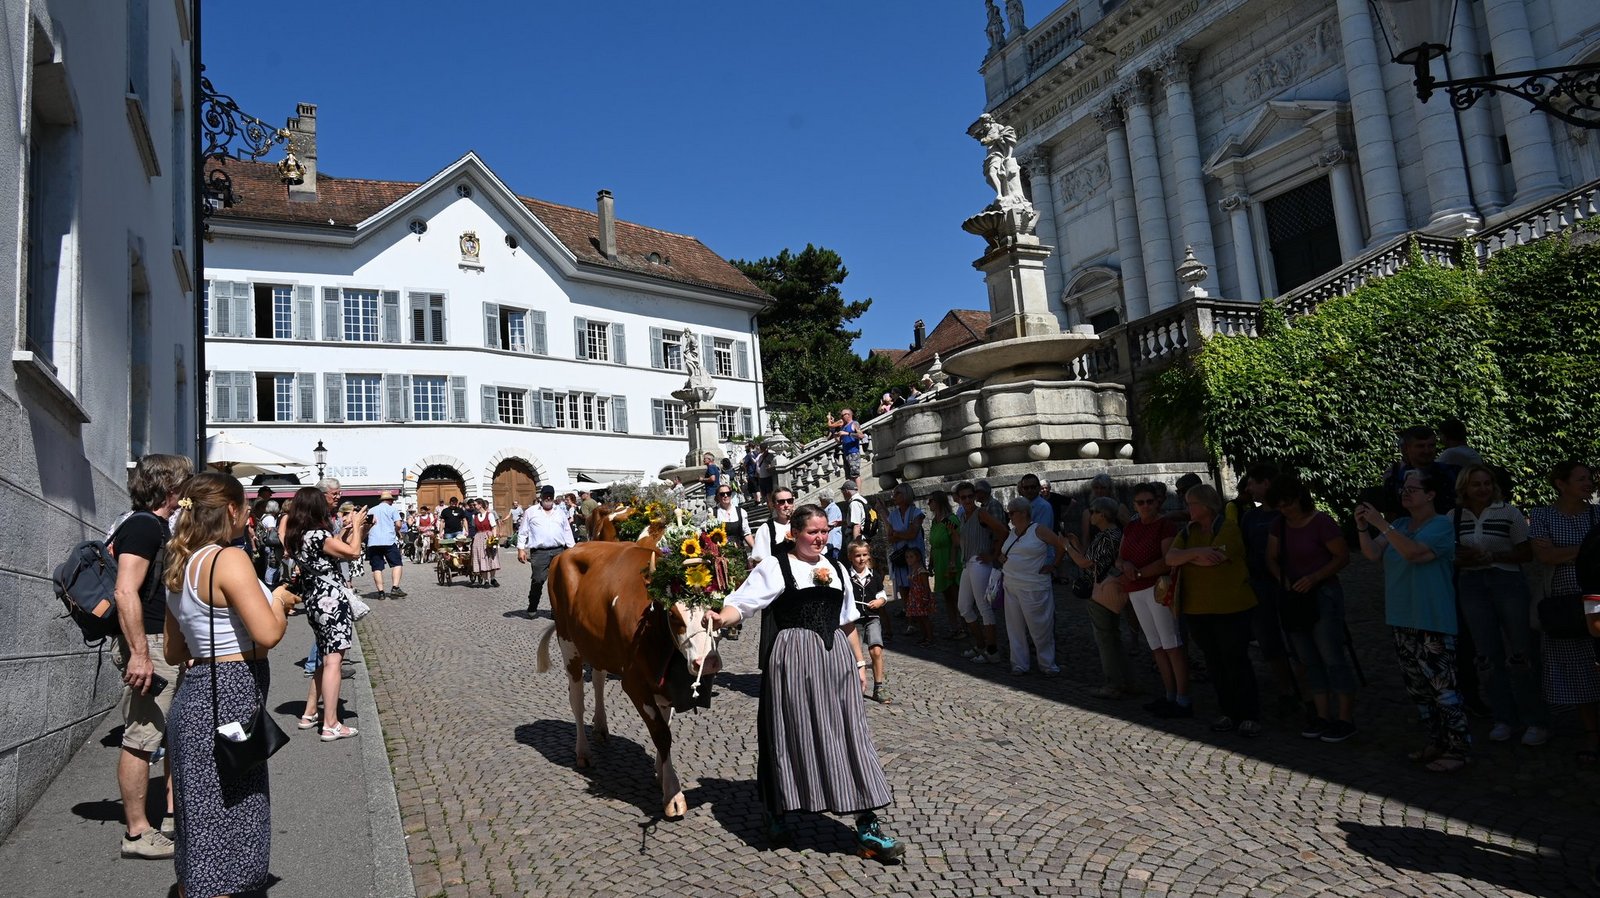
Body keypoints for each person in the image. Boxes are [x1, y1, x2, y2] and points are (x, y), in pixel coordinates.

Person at [706, 504, 906, 862]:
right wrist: (722, 618)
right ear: (794, 533)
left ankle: (867, 826)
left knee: (850, 734)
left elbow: (847, 622)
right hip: (794, 658)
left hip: (836, 659)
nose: (820, 538)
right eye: (813, 532)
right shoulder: (776, 566)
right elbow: (744, 603)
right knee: (788, 732)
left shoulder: (838, 568)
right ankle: (777, 810)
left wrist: (859, 663)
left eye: (824, 531)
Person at [160, 472, 293, 897]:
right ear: (231, 510)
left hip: (195, 694)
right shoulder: (227, 559)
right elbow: (267, 633)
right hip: (229, 695)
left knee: (200, 825)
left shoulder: (180, 563)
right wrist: (279, 602)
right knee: (228, 825)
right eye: (245, 507)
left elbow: (174, 651)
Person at [1356, 469, 1468, 772]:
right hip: (1401, 617)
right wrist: (1363, 527)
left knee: (1443, 689)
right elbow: (1372, 554)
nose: (1405, 493)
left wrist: (1382, 524)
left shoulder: (1441, 525)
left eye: (1413, 489)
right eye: (1404, 488)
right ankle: (1436, 741)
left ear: (1430, 495)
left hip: (1432, 618)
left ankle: (1458, 749)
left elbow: (1414, 553)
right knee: (1418, 689)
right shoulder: (1402, 525)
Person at [110, 453, 192, 859]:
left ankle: (173, 816)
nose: (187, 491)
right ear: (169, 486)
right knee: (142, 737)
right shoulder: (142, 525)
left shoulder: (157, 525)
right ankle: (137, 832)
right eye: (184, 484)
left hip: (163, 642)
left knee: (169, 732)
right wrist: (140, 654)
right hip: (150, 644)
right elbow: (125, 590)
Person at [1453, 463, 1547, 746]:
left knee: (1521, 651)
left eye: (1486, 483)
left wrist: (1493, 557)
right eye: (1476, 484)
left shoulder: (1509, 513)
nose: (1482, 489)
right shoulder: (1454, 516)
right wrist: (1468, 558)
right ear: (1465, 488)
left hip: (1507, 583)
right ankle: (1503, 717)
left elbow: (1525, 553)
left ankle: (1535, 719)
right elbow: (1450, 553)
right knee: (1486, 654)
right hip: (1471, 584)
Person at [1265, 474, 1357, 742]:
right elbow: (1271, 558)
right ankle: (1322, 714)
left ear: (1299, 499)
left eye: (1289, 504)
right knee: (1308, 660)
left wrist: (1314, 577)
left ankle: (1345, 718)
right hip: (1294, 597)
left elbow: (1342, 557)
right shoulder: (1279, 525)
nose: (1286, 510)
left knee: (1332, 657)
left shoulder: (1321, 522)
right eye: (1280, 505)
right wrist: (1283, 579)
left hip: (1323, 594)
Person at [1166, 485, 1262, 735]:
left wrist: (1188, 557)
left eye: (1191, 503)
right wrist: (1197, 552)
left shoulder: (1228, 528)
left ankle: (1249, 714)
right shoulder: (1189, 531)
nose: (1187, 508)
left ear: (1205, 506)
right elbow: (1171, 557)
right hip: (1197, 608)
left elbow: (1215, 558)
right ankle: (1227, 711)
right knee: (1214, 662)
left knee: (1235, 660)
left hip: (1231, 607)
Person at [1528, 461, 1600, 765]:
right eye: (1581, 478)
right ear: (1561, 483)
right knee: (1577, 668)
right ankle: (1592, 735)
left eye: (1590, 478)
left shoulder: (1598, 514)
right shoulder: (1542, 515)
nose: (1589, 483)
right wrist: (1589, 550)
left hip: (1596, 597)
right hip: (1563, 601)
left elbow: (1556, 553)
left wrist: (1567, 552)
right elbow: (1545, 556)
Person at [284, 486, 364, 742]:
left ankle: (309, 713)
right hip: (331, 601)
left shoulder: (298, 535)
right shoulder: (318, 534)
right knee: (333, 661)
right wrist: (358, 527)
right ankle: (331, 723)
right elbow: (353, 552)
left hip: (314, 601)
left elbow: (331, 547)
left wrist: (345, 531)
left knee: (324, 657)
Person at [1120, 483, 1189, 718]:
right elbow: (1120, 558)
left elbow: (1166, 560)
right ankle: (1169, 694)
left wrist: (1139, 573)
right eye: (1141, 502)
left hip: (1157, 588)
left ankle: (1182, 698)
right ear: (1134, 505)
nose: (1146, 506)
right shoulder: (1131, 526)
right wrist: (1126, 566)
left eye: (1149, 501)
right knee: (1156, 645)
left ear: (1157, 502)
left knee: (1171, 644)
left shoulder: (1165, 525)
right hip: (1136, 589)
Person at [997, 496, 1075, 676]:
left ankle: (1047, 664)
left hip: (1033, 585)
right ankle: (1019, 663)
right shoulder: (1012, 532)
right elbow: (1007, 551)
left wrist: (1054, 565)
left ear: (1023, 513)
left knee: (1040, 626)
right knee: (1014, 627)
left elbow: (1061, 544)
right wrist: (1002, 558)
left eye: (1012, 513)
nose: (1009, 516)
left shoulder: (1038, 529)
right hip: (1011, 584)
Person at [1064, 496, 1129, 698]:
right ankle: (1127, 681)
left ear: (1103, 514)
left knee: (1106, 639)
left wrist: (1066, 547)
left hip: (1101, 589)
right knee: (1113, 637)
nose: (1090, 515)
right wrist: (1075, 544)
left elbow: (1085, 563)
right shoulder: (1110, 534)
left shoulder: (1108, 536)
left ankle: (1113, 684)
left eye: (1093, 511)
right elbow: (1090, 558)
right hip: (1107, 587)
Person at [954, 480, 1007, 664]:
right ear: (959, 499)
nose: (968, 500)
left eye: (970, 496)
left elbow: (1003, 531)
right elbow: (962, 541)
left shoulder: (981, 513)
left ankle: (992, 650)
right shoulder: (962, 516)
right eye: (964, 497)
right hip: (968, 563)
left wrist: (993, 554)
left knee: (984, 607)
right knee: (964, 607)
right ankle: (981, 644)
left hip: (980, 563)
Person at [750, 487, 796, 650]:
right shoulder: (767, 528)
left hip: (801, 587)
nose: (786, 505)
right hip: (777, 590)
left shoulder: (801, 526)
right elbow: (760, 561)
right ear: (774, 505)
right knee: (774, 637)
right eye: (781, 502)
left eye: (789, 501)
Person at [517, 485, 574, 615]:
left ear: (553, 497)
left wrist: (572, 549)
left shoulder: (560, 512)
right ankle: (533, 605)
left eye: (550, 496)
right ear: (541, 496)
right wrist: (521, 549)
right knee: (538, 580)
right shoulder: (531, 512)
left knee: (559, 582)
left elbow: (567, 531)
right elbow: (523, 531)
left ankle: (556, 609)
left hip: (559, 551)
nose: (548, 498)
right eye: (545, 495)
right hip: (539, 552)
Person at [846, 539, 891, 702]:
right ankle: (854, 685)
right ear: (850, 557)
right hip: (854, 620)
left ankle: (879, 687)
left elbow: (881, 593)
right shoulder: (846, 576)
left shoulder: (874, 576)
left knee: (876, 650)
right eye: (858, 555)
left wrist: (880, 601)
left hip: (872, 618)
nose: (861, 559)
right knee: (854, 653)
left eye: (864, 555)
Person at [925, 490, 964, 639]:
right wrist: (931, 563)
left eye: (931, 501)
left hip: (950, 561)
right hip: (939, 561)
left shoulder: (949, 520)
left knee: (956, 596)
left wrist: (952, 562)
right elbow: (933, 544)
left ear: (938, 502)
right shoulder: (935, 522)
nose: (929, 503)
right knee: (947, 596)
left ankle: (963, 626)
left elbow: (955, 542)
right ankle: (954, 626)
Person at [886, 483, 925, 616]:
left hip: (914, 556)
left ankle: (920, 614)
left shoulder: (917, 513)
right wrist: (902, 535)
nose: (894, 497)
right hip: (900, 556)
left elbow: (912, 534)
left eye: (897, 494)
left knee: (917, 586)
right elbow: (890, 538)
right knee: (903, 586)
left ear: (905, 495)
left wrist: (897, 534)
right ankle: (909, 615)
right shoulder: (893, 515)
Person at [365, 490, 407, 599]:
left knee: (377, 567)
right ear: (390, 500)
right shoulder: (392, 509)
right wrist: (395, 530)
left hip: (374, 541)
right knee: (397, 564)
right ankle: (395, 587)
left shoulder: (372, 510)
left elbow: (367, 525)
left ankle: (381, 592)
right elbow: (398, 524)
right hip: (389, 540)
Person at [902, 545, 935, 646]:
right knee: (919, 618)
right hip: (915, 597)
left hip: (921, 597)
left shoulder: (921, 571)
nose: (909, 559)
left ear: (918, 557)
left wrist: (925, 598)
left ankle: (930, 638)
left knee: (924, 618)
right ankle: (924, 636)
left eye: (911, 557)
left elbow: (926, 586)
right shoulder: (913, 570)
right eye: (907, 557)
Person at [468, 498, 501, 588]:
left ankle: (493, 578)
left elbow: (494, 527)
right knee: (481, 557)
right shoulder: (474, 516)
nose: (474, 506)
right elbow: (474, 528)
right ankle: (485, 580)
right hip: (479, 537)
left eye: (475, 505)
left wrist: (494, 539)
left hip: (488, 536)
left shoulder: (489, 515)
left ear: (480, 505)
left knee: (491, 557)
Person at [711, 484, 752, 549]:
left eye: (728, 493)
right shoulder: (712, 513)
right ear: (717, 497)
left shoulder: (741, 512)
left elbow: (747, 533)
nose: (725, 495)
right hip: (721, 552)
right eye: (722, 494)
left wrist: (755, 549)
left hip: (739, 551)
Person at [834, 409, 864, 480]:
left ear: (849, 415)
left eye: (843, 415)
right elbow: (839, 442)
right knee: (849, 477)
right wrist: (836, 436)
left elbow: (861, 436)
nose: (841, 417)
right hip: (846, 453)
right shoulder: (843, 427)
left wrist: (847, 433)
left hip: (853, 452)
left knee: (855, 475)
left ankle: (858, 488)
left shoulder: (854, 423)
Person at [821, 490, 844, 561]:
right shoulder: (828, 508)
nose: (820, 502)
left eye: (821, 500)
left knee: (833, 560)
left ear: (825, 499)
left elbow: (830, 524)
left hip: (833, 541)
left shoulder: (833, 508)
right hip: (829, 541)